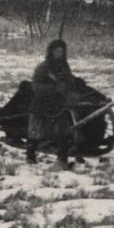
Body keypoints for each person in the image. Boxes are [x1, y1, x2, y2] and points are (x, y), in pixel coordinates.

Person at [25, 39, 78, 167]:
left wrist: (74, 82)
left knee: (63, 131)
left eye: (61, 51)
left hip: (59, 104)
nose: (59, 53)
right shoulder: (43, 67)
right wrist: (53, 88)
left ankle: (62, 160)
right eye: (57, 51)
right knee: (35, 131)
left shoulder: (64, 66)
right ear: (51, 52)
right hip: (42, 103)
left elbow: (68, 80)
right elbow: (36, 86)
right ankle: (30, 157)